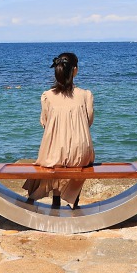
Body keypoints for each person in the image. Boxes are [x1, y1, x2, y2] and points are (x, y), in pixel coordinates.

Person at [25, 51, 94, 209]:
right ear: (75, 70)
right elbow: (89, 121)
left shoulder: (47, 96)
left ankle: (56, 200)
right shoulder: (86, 95)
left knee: (54, 155)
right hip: (80, 154)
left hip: (53, 154)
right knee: (78, 155)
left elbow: (44, 122)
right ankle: (73, 200)